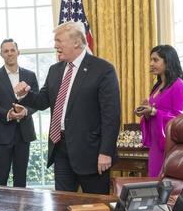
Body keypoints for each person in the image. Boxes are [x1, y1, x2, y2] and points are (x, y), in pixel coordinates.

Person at [15, 21, 120, 194]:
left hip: (91, 153)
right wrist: (26, 93)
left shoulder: (103, 70)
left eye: (59, 40)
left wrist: (106, 152)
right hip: (60, 149)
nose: (55, 45)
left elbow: (111, 116)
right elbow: (43, 101)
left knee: (95, 210)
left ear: (77, 42)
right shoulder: (55, 70)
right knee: (62, 207)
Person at [0, 38, 38, 187]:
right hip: (2, 134)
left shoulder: (30, 75)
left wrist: (26, 111)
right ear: (1, 54)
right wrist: (8, 114)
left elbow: (37, 101)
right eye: (6, 51)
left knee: (21, 180)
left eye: (12, 50)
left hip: (24, 134)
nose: (9, 53)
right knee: (0, 179)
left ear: (18, 52)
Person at [135, 45, 183, 177]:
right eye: (151, 60)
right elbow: (153, 115)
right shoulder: (157, 86)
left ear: (168, 61)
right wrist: (146, 113)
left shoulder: (179, 86)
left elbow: (180, 119)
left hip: (168, 146)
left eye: (155, 60)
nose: (151, 63)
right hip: (155, 145)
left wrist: (154, 111)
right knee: (154, 181)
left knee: (164, 185)